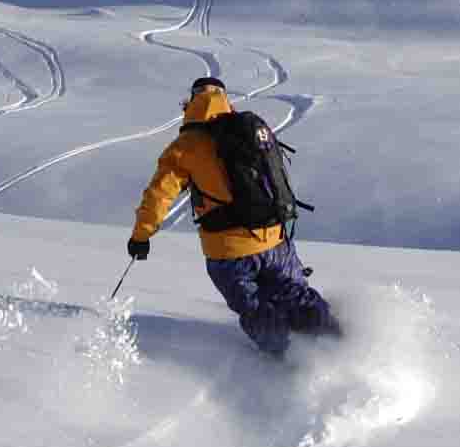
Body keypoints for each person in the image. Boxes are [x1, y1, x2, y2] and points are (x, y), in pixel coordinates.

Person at [129, 77, 341, 357]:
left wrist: (141, 236)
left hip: (229, 253)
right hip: (275, 239)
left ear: (191, 102)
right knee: (296, 295)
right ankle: (340, 345)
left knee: (255, 310)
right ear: (224, 98)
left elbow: (159, 196)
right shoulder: (252, 130)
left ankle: (287, 361)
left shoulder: (185, 146)